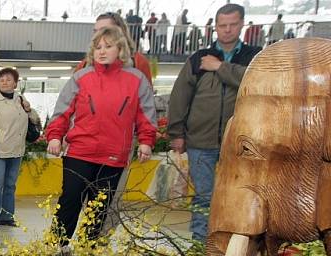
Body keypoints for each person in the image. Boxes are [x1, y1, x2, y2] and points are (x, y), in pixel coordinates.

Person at [46, 27, 155, 243]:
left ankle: (87, 253)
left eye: (108, 46)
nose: (102, 51)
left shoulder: (136, 79)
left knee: (99, 207)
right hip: (79, 152)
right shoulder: (81, 77)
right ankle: (55, 248)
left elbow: (146, 115)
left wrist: (146, 141)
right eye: (97, 47)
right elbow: (63, 111)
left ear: (120, 49)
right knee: (70, 200)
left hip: (114, 156)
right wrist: (55, 136)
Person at [167, 3, 261, 242]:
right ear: (215, 27)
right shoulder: (198, 58)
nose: (227, 30)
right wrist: (177, 133)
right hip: (201, 140)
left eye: (233, 24)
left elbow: (256, 82)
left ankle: (235, 242)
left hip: (241, 141)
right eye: (222, 25)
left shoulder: (255, 57)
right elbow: (180, 96)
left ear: (242, 25)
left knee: (239, 193)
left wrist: (220, 67)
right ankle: (200, 243)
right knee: (203, 195)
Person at [0, 67, 28, 229]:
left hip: (17, 150)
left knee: (10, 185)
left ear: (15, 83)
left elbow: (32, 121)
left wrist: (29, 110)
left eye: (8, 79)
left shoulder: (21, 100)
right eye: (1, 80)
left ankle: (7, 217)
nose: (4, 82)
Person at [80, 13, 152, 83]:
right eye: (95, 31)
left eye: (105, 31)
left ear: (121, 32)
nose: (98, 35)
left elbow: (146, 93)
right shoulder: (84, 65)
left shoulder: (139, 62)